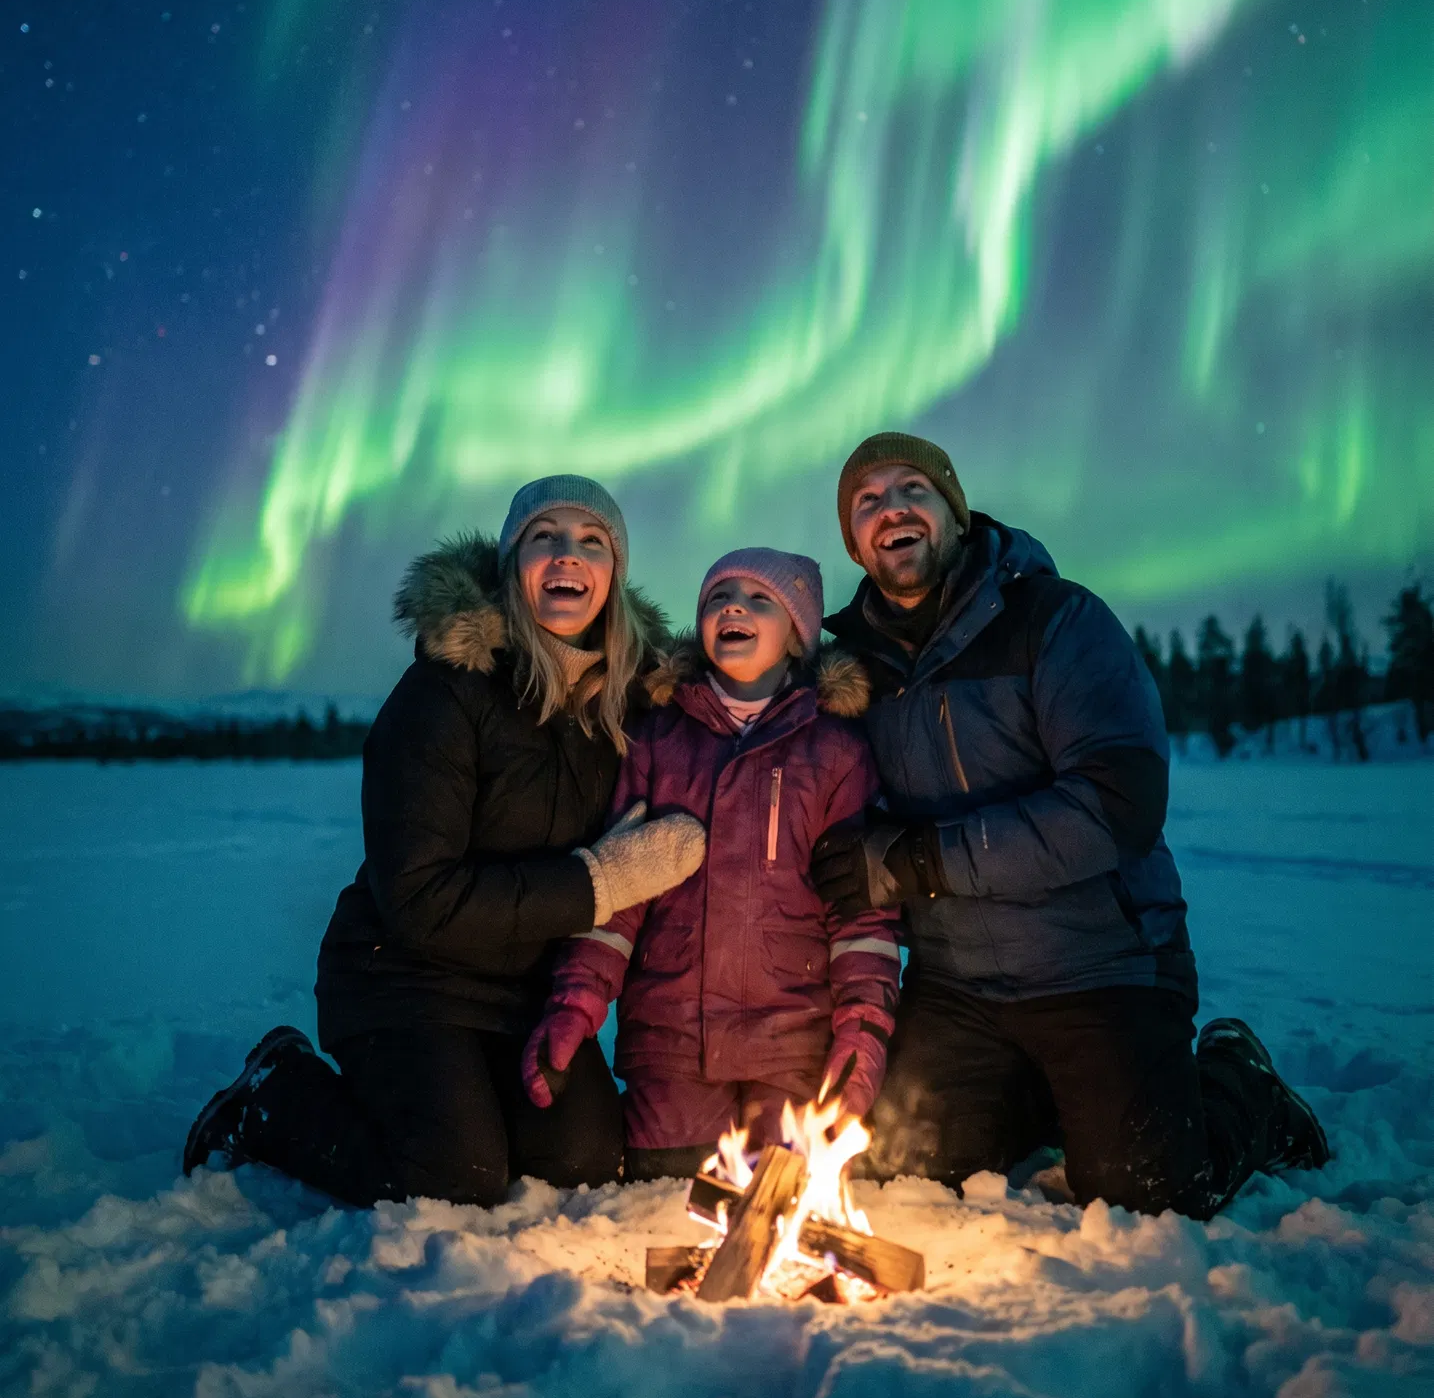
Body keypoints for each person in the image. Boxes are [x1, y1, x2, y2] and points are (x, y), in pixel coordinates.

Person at [811, 432, 1330, 1219]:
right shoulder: (853, 675)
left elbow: (1115, 807)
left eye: (911, 488)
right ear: (855, 542)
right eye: (867, 502)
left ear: (952, 511)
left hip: (1102, 967)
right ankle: (1060, 1098)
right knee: (901, 1174)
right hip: (958, 987)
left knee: (1143, 1194)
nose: (892, 510)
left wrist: (922, 861)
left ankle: (1239, 1083)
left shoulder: (1055, 620)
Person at [183, 475, 706, 1207]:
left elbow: (757, 693)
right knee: (455, 1177)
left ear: (614, 575)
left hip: (526, 993)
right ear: (510, 564)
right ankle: (274, 1094)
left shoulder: (626, 705)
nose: (568, 555)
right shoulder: (446, 695)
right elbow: (418, 899)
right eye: (543, 538)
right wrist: (600, 883)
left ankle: (472, 1104)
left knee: (584, 1161)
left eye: (592, 542)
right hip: (402, 979)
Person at [522, 549, 902, 1178]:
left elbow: (861, 914)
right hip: (672, 1045)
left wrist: (862, 1030)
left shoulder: (835, 752)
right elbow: (618, 895)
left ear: (798, 636)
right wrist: (574, 1005)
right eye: (719, 595)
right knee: (663, 1196)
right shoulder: (657, 740)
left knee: (784, 1198)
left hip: (791, 1047)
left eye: (760, 600)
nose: (734, 607)